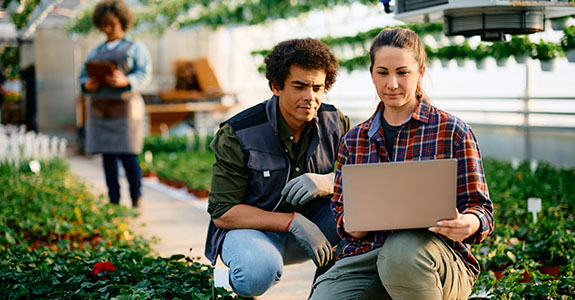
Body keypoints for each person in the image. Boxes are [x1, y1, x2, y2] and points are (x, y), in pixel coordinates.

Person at [310, 28, 494, 300]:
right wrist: (350, 223)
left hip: (436, 259)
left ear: (420, 72)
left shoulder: (452, 131)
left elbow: (482, 209)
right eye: (382, 72)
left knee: (402, 252)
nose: (392, 83)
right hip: (367, 258)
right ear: (372, 74)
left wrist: (468, 223)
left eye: (403, 72)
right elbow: (341, 209)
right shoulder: (354, 139)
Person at [205, 38, 350, 298]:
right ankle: (219, 281)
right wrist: (294, 222)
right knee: (256, 271)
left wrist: (330, 181)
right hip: (252, 234)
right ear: (276, 86)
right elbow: (223, 213)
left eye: (318, 87)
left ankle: (328, 293)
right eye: (300, 86)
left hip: (317, 228)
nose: (311, 97)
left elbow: (368, 180)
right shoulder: (240, 132)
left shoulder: (335, 123)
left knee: (362, 218)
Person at [78, 0, 152, 208]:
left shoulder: (135, 48)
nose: (106, 28)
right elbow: (81, 78)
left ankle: (136, 197)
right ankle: (114, 200)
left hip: (126, 109)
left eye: (110, 23)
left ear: (122, 21)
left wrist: (126, 81)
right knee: (107, 156)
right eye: (103, 24)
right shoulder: (95, 51)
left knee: (129, 154)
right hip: (100, 110)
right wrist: (87, 85)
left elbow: (145, 74)